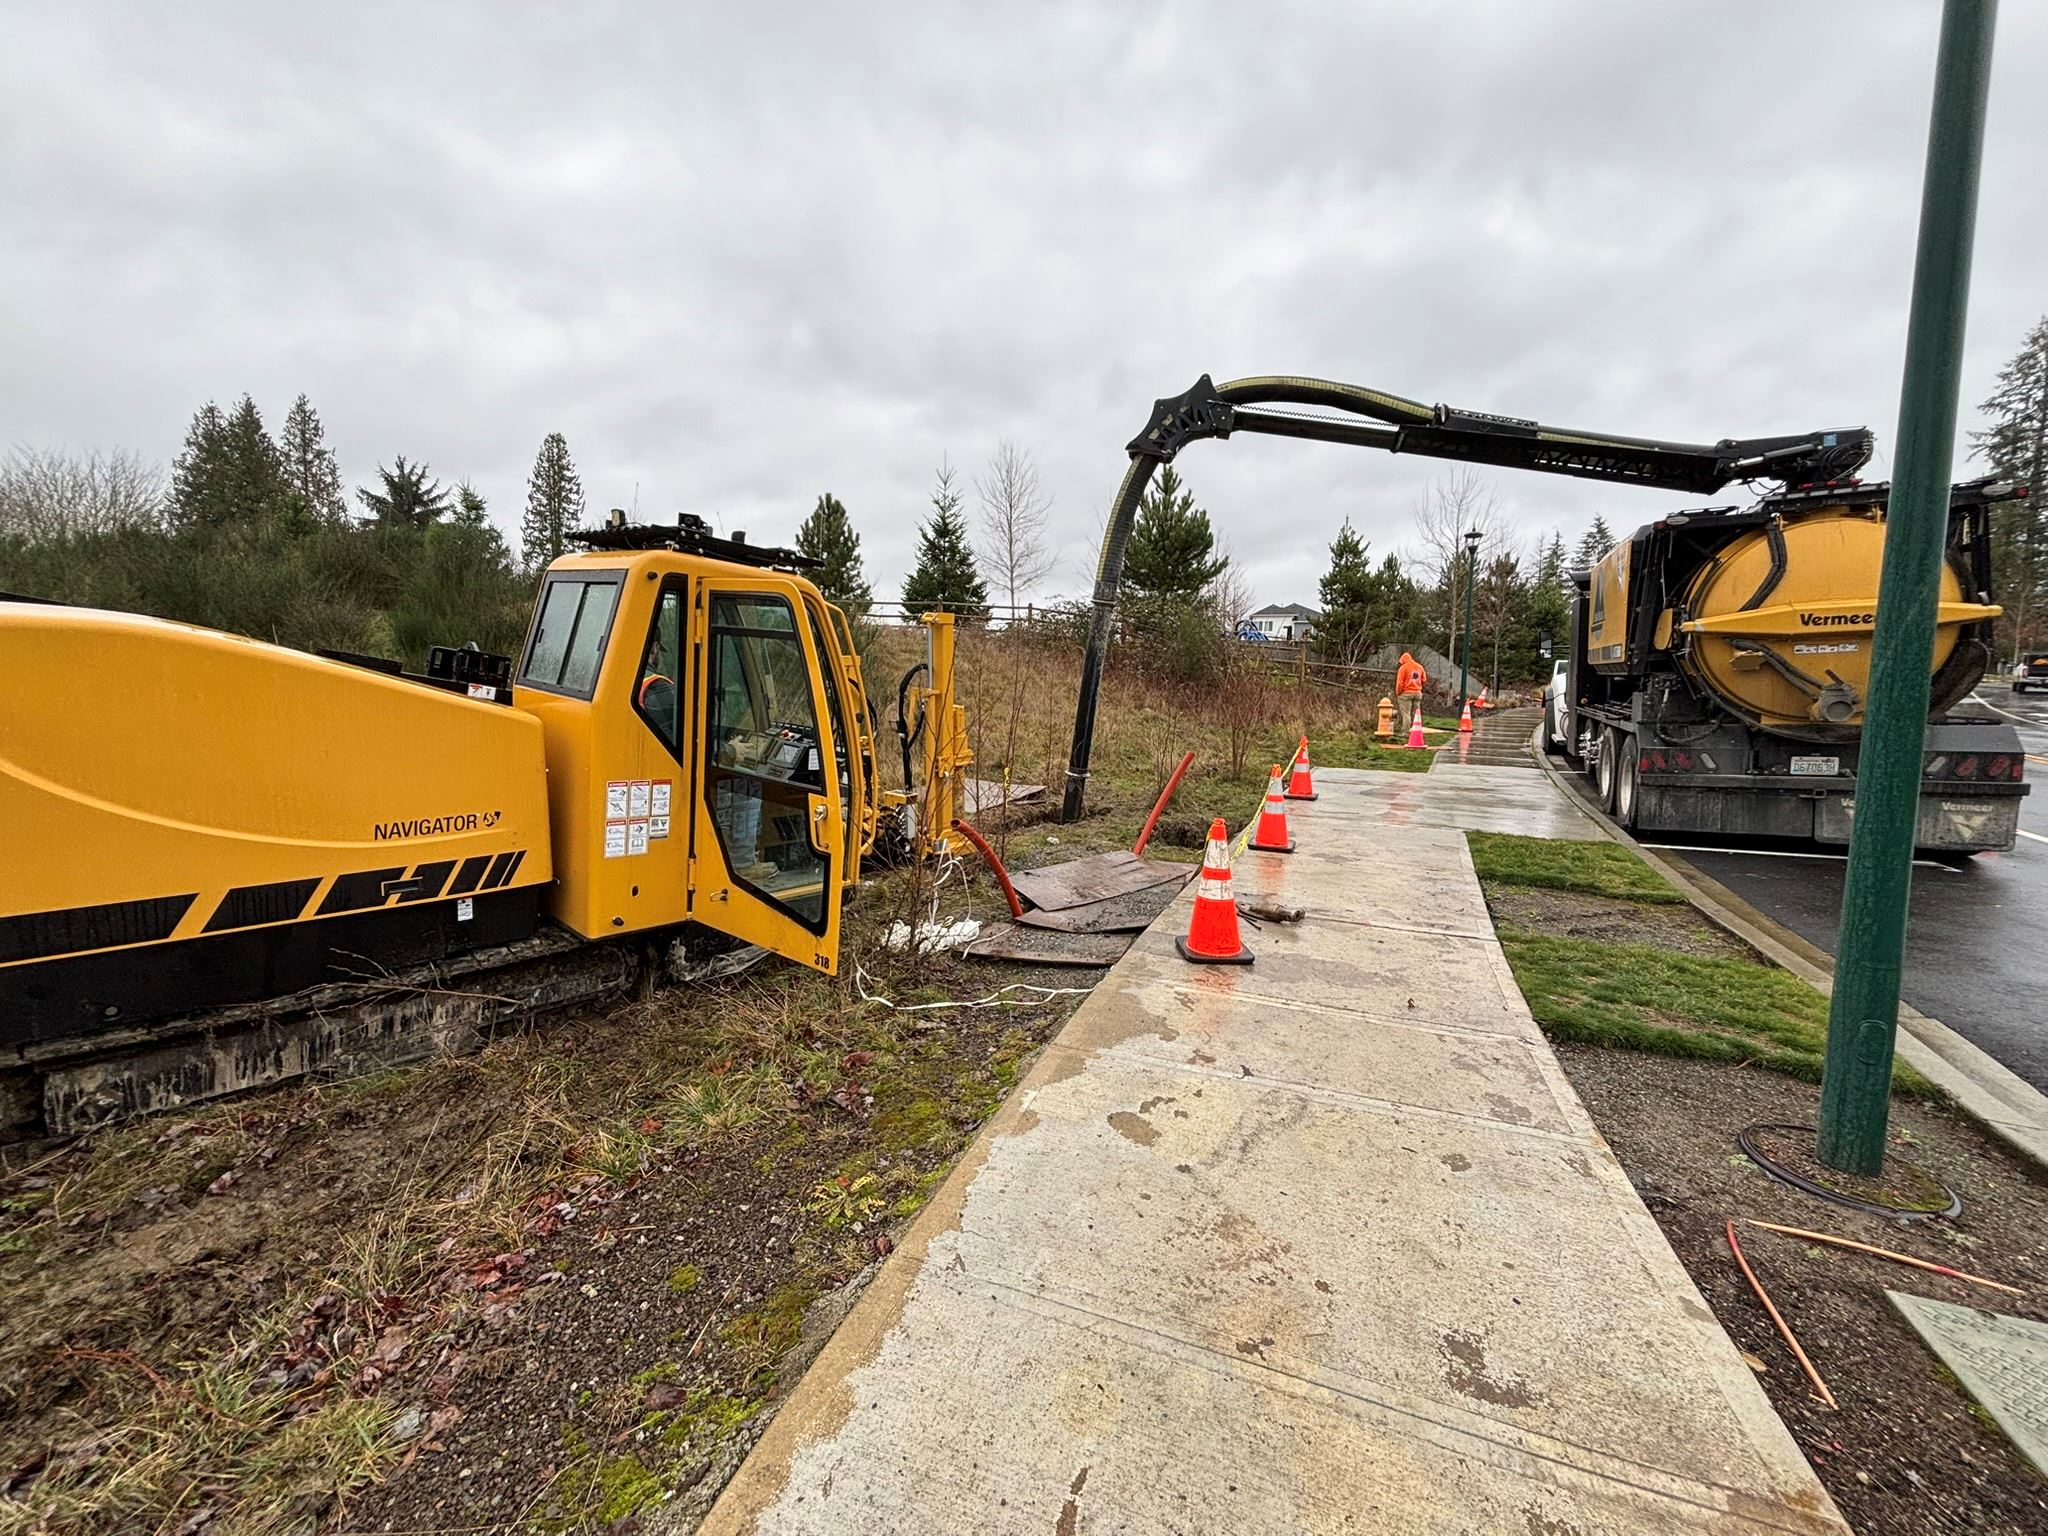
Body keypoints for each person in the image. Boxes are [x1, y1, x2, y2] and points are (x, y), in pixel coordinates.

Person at [1395, 650, 1426, 737]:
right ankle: (1417, 730)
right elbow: (1424, 679)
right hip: (1417, 692)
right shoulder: (1420, 667)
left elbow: (1400, 683)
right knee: (1416, 713)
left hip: (1406, 693)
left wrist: (1398, 692)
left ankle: (1405, 732)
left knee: (1406, 714)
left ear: (1403, 660)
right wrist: (1419, 688)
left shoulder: (1403, 668)